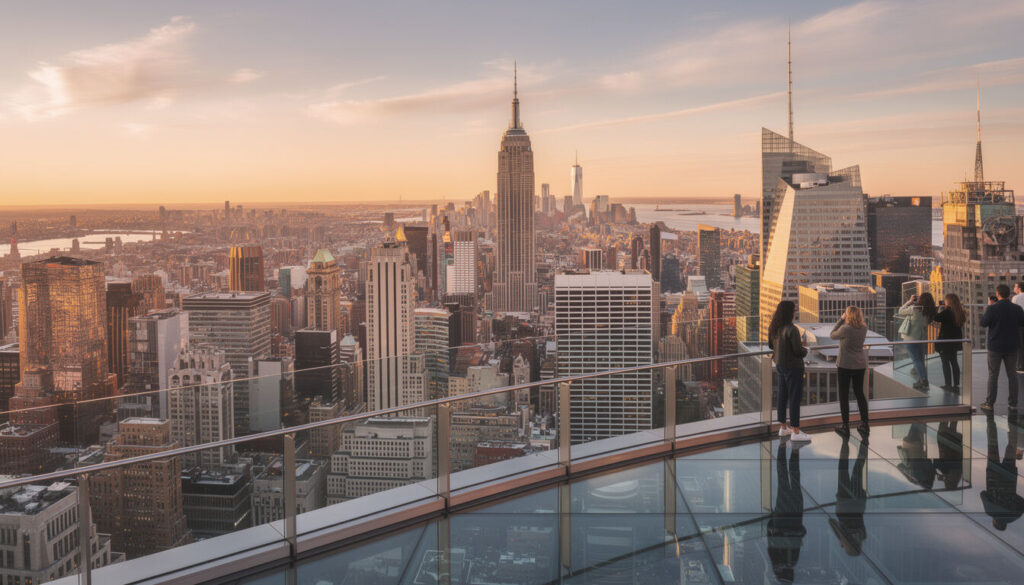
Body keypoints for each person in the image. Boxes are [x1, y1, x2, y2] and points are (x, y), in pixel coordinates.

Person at [768, 300, 810, 442]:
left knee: (782, 396)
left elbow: (770, 345)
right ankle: (796, 431)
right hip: (793, 367)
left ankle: (783, 428)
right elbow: (798, 351)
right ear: (789, 313)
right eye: (793, 310)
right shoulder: (792, 330)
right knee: (794, 398)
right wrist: (806, 351)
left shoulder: (774, 327)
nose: (795, 313)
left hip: (780, 365)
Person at [979, 284, 1024, 412]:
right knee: (1012, 375)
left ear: (997, 294)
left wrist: (989, 306)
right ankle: (1013, 403)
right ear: (1009, 294)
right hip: (1012, 346)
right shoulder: (1017, 308)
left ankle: (990, 403)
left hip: (995, 346)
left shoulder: (993, 309)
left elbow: (983, 323)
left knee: (993, 375)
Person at [767, 442, 806, 581]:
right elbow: (770, 539)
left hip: (795, 516)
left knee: (795, 478)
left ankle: (794, 450)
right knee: (782, 477)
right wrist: (772, 520)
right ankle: (782, 446)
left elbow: (799, 537)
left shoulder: (792, 561)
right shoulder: (777, 562)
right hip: (781, 517)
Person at [830, 305, 869, 436]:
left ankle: (845, 426)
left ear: (848, 315)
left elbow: (832, 335)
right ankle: (864, 423)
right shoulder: (864, 328)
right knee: (859, 394)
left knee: (844, 395)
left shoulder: (845, 329)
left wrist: (841, 319)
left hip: (845, 365)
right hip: (860, 364)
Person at [981, 413, 1024, 531]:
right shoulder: (990, 511)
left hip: (1009, 477)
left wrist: (1012, 496)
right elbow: (982, 494)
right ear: (995, 522)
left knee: (1011, 447)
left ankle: (1014, 423)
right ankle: (990, 422)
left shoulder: (1013, 516)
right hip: (993, 474)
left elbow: (1022, 503)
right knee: (992, 444)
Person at [830, 433, 867, 556]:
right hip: (843, 502)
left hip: (857, 502)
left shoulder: (863, 535)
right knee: (843, 467)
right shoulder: (843, 536)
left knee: (858, 468)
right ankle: (845, 441)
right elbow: (831, 522)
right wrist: (842, 540)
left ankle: (864, 440)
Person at [897, 292, 938, 390]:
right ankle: (921, 380)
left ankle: (924, 380)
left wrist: (910, 301)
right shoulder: (930, 311)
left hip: (911, 338)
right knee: (920, 360)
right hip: (922, 338)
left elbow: (900, 311)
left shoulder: (915, 309)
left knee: (916, 360)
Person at [933, 293, 966, 393]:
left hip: (945, 341)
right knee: (954, 362)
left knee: (945, 363)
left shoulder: (947, 312)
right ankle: (956, 385)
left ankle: (948, 384)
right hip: (955, 341)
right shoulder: (961, 311)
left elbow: (936, 318)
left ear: (949, 301)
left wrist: (939, 307)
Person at [1015, 282, 1024, 372]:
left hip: (1019, 323)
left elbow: (1012, 310)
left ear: (1019, 288)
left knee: (1020, 345)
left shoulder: (1016, 298)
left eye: (1015, 286)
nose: (1014, 288)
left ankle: (1020, 366)